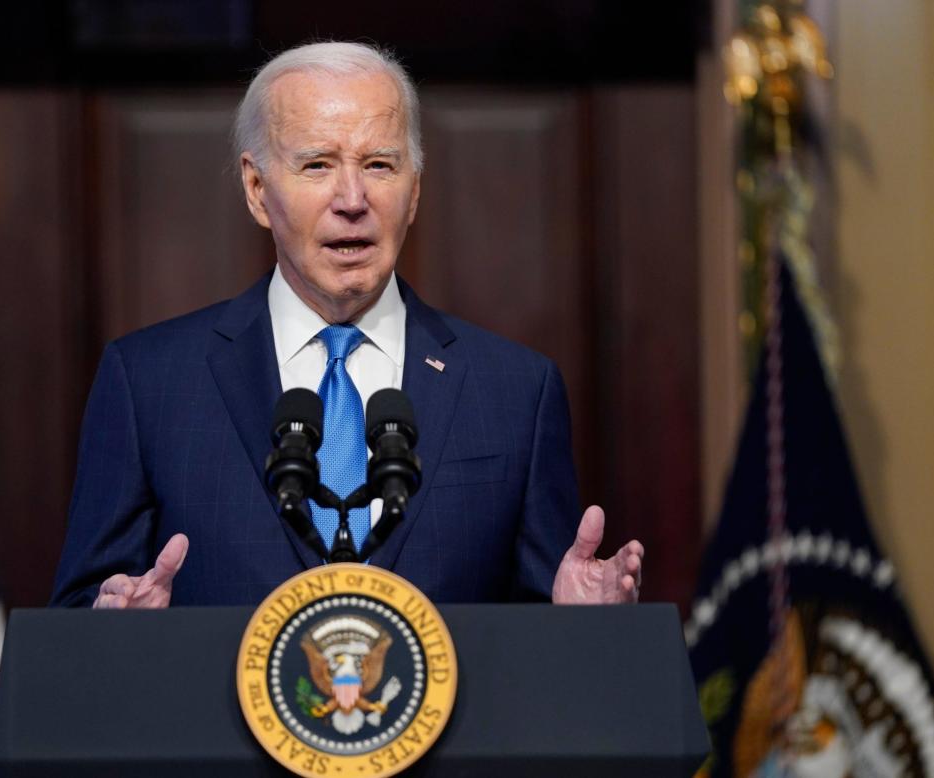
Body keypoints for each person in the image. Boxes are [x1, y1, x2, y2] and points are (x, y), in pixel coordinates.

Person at [50, 41, 643, 609]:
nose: (352, 198)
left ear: (413, 192)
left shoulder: (516, 391)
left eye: (380, 165)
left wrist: (580, 622)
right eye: (317, 165)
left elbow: (547, 644)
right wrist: (116, 627)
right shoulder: (149, 383)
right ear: (257, 190)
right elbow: (81, 621)